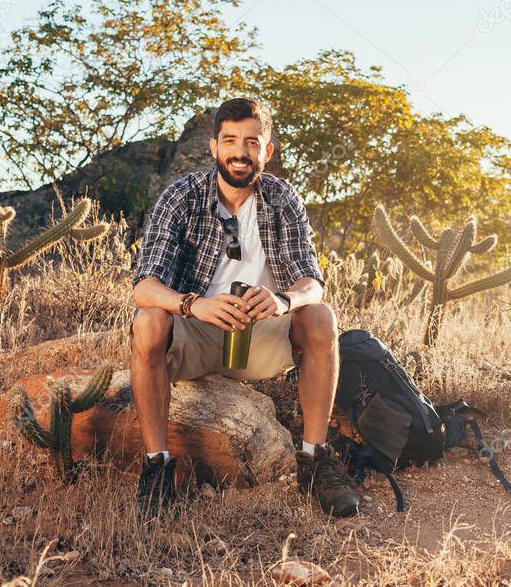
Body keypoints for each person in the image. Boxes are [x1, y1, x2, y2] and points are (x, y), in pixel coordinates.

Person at [129, 97, 359, 518]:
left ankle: (314, 459)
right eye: (231, 140)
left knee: (320, 318)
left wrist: (281, 300)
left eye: (252, 142)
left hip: (260, 334)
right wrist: (194, 305)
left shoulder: (281, 198)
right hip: (196, 330)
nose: (240, 152)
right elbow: (144, 287)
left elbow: (313, 284)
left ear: (266, 151)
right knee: (148, 323)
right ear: (214, 146)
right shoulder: (181, 197)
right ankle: (157, 468)